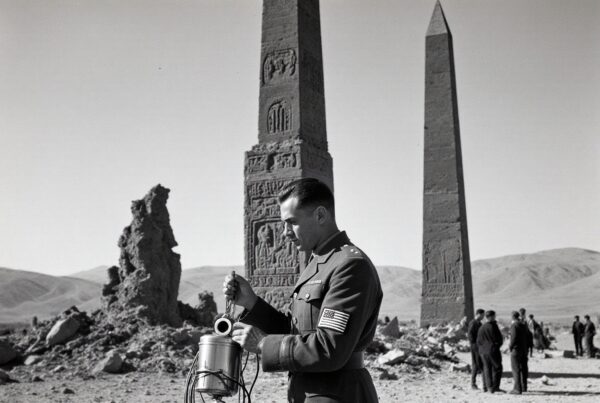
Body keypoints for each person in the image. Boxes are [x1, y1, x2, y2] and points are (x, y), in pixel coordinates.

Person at [223, 178, 383, 403]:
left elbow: (329, 348)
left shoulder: (349, 265)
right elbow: (296, 331)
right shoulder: (319, 263)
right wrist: (250, 302)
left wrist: (262, 344)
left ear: (320, 215)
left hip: (339, 394)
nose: (285, 232)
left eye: (292, 222)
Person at [477, 310, 504, 393]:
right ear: (491, 317)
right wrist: (497, 346)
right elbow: (498, 339)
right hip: (492, 350)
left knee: (487, 368)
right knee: (497, 368)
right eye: (494, 316)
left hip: (483, 351)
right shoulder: (493, 326)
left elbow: (478, 340)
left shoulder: (482, 327)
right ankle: (495, 387)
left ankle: (488, 387)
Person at [508, 311, 531, 394]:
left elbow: (513, 338)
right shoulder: (524, 325)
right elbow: (529, 337)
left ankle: (517, 388)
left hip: (516, 350)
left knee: (516, 369)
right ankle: (524, 386)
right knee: (524, 368)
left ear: (512, 317)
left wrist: (510, 347)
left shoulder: (514, 325)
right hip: (524, 350)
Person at [467, 309, 485, 390]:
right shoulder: (473, 323)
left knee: (479, 364)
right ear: (478, 314)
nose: (483, 317)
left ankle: (481, 383)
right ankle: (473, 383)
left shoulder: (479, 323)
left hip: (479, 346)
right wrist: (475, 344)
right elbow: (470, 335)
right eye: (482, 315)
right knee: (476, 364)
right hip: (475, 347)